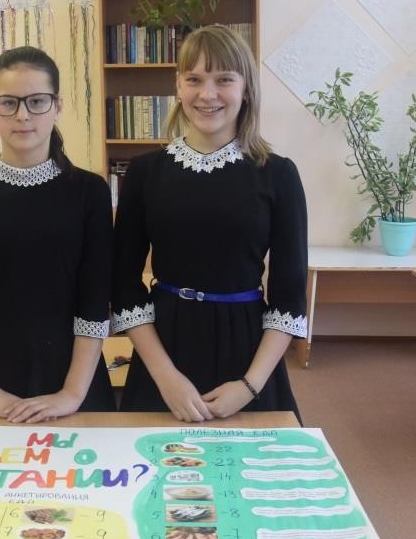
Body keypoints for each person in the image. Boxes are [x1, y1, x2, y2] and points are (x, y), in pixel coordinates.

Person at [112, 24, 307, 422]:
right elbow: (122, 282)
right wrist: (165, 377)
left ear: (246, 88)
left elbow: (288, 295)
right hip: (164, 346)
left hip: (247, 351)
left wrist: (249, 386)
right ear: (178, 86)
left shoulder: (278, 175)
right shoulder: (146, 173)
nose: (207, 94)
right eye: (194, 79)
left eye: (224, 80)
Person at [0, 45, 115, 424]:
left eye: (36, 102)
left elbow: (95, 301)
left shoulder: (89, 192)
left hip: (77, 383)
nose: (22, 115)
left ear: (57, 106)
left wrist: (71, 394)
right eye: (8, 103)